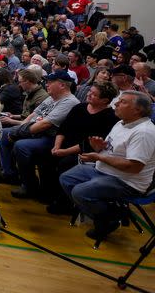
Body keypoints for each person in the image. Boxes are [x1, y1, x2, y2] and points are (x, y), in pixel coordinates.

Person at [60, 91, 155, 241]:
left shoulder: (144, 132)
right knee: (67, 178)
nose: (116, 103)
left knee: (80, 192)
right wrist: (98, 147)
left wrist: (98, 156)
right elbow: (109, 151)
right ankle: (110, 212)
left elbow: (134, 167)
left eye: (123, 102)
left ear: (138, 110)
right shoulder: (121, 123)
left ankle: (109, 218)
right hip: (105, 170)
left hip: (127, 181)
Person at [0, 70, 80, 198]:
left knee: (22, 146)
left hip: (53, 138)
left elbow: (45, 124)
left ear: (62, 85)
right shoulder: (51, 98)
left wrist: (18, 132)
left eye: (50, 82)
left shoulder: (69, 102)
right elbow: (33, 115)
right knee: (3, 133)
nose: (46, 84)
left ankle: (29, 185)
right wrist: (20, 126)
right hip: (36, 131)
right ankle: (9, 173)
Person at [43, 81, 119, 213]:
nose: (88, 95)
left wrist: (64, 151)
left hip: (86, 151)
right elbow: (63, 128)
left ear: (105, 100)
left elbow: (90, 143)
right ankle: (48, 193)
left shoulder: (110, 117)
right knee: (45, 157)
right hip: (64, 145)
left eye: (94, 94)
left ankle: (66, 202)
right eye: (90, 92)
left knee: (65, 164)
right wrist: (57, 146)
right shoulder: (80, 108)